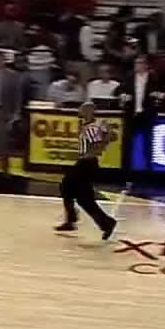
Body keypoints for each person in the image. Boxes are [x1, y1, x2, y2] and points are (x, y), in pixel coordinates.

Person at [55, 102, 117, 239]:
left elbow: (99, 143)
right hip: (86, 163)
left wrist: (92, 153)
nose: (79, 111)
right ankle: (76, 220)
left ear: (89, 111)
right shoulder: (90, 126)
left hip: (87, 163)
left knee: (72, 189)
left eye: (82, 109)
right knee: (75, 192)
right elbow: (108, 137)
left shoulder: (91, 128)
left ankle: (75, 220)